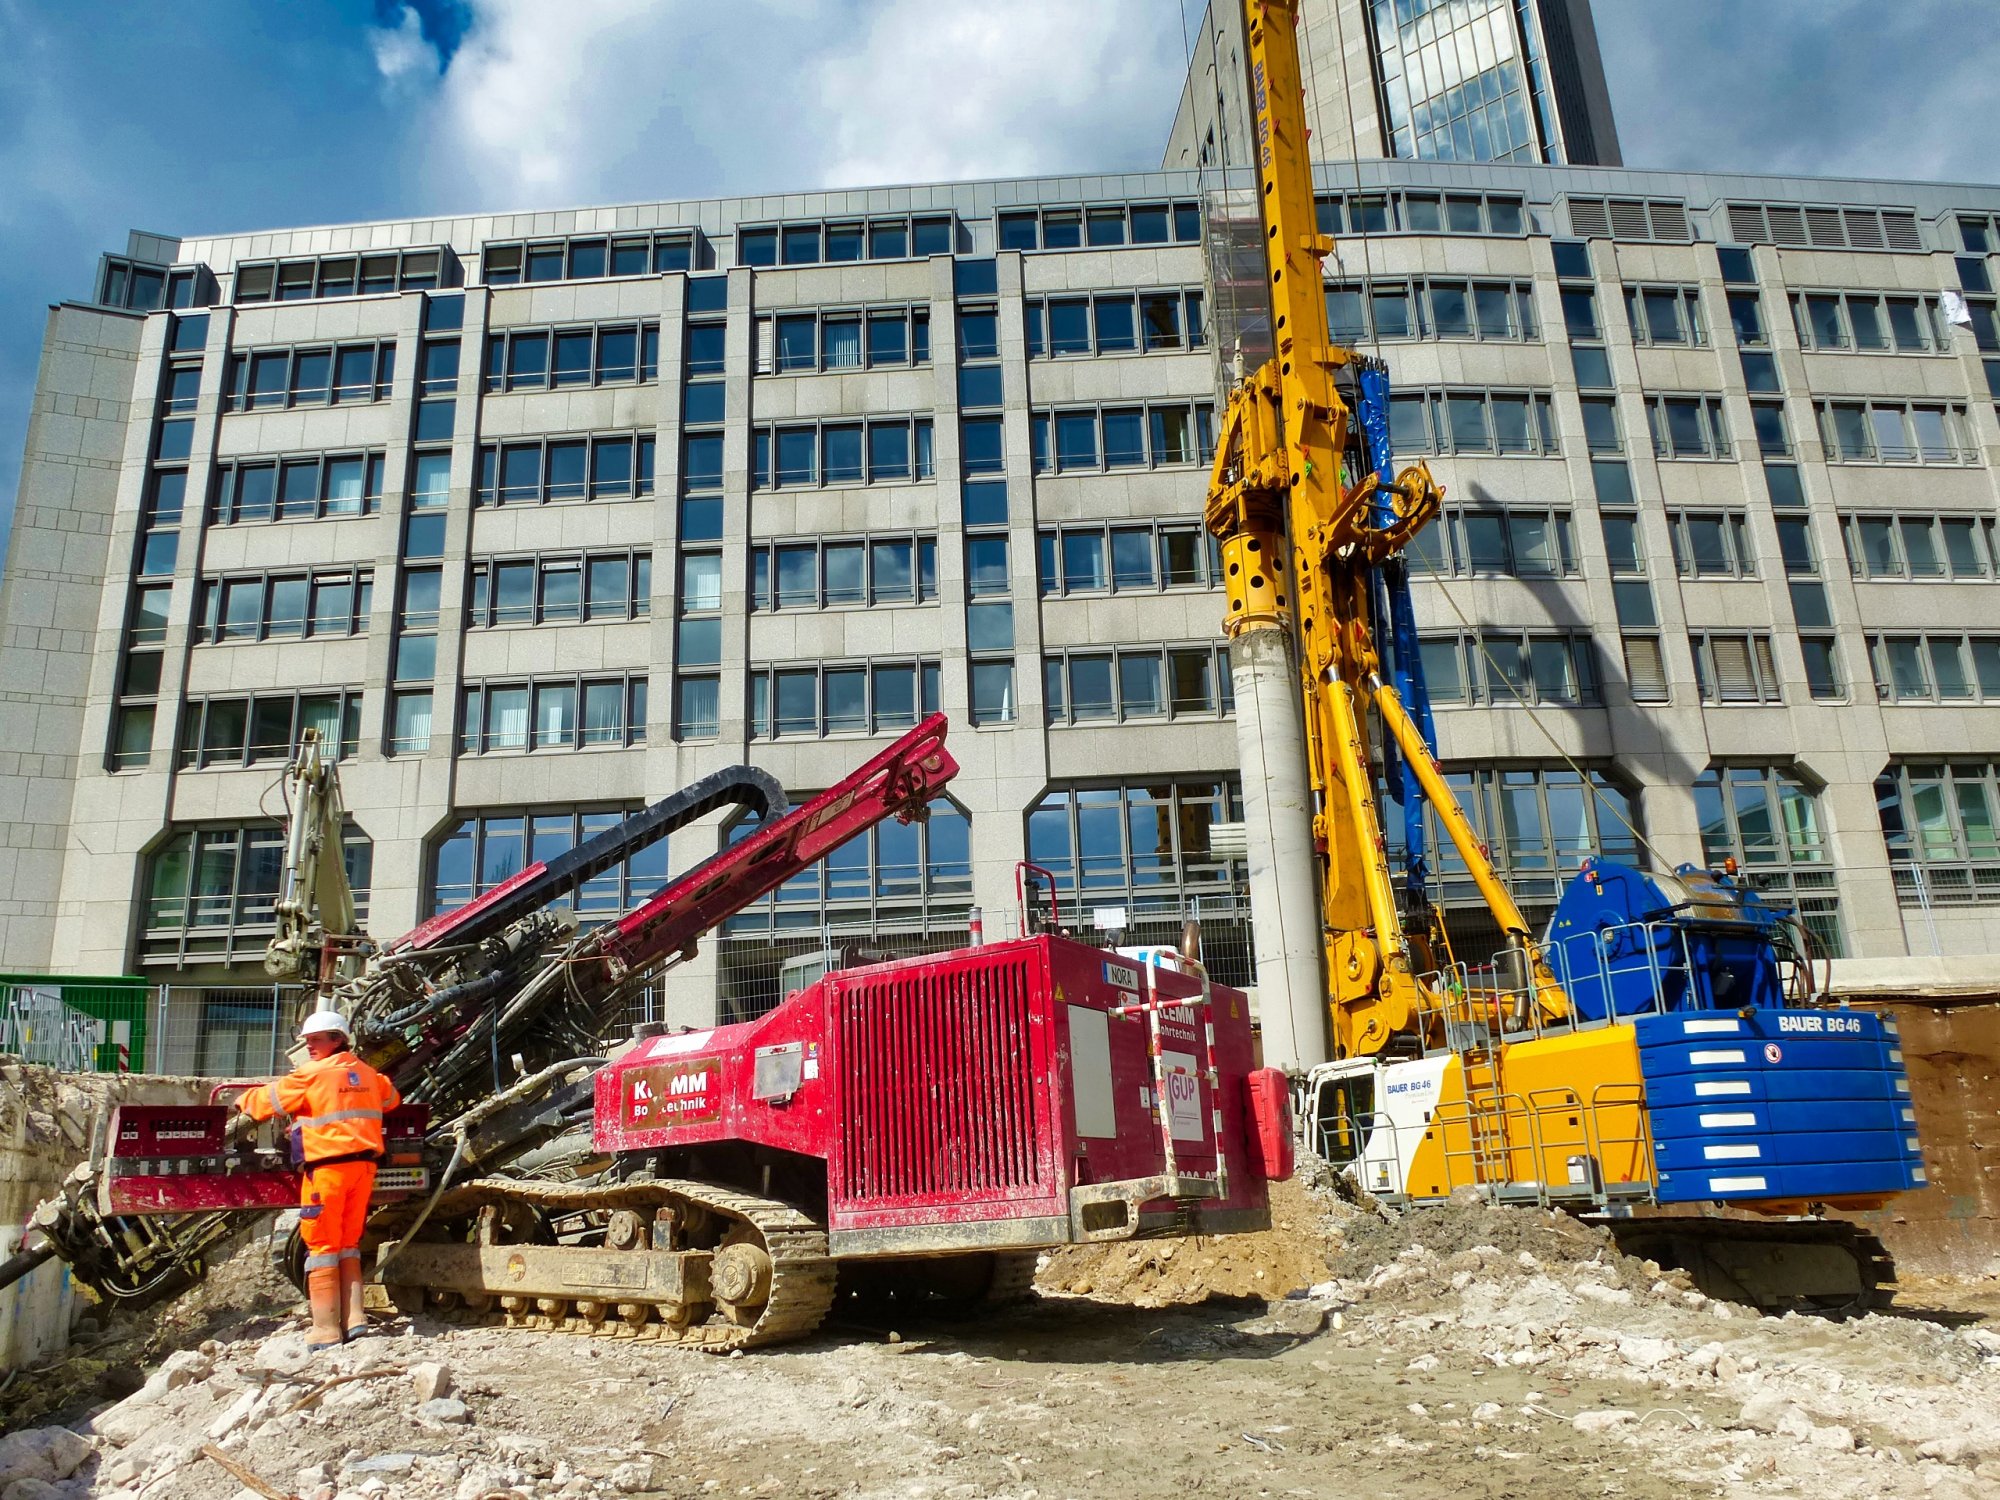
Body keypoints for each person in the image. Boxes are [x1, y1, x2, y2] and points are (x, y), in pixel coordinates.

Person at [236, 1009, 401, 1350]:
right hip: (364, 1170)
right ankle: (355, 1319)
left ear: (337, 1040)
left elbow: (266, 1102)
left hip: (328, 1172)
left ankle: (325, 1329)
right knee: (348, 1244)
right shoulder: (370, 1074)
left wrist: (239, 1101)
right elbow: (391, 1100)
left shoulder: (311, 1076)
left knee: (323, 1247)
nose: (309, 1047)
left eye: (316, 1040)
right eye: (307, 1041)